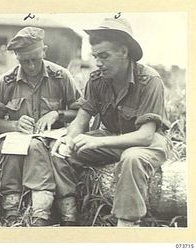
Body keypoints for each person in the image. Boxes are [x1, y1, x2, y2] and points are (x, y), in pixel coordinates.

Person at [51, 18, 172, 227]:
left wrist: (97, 143)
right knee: (61, 150)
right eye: (95, 56)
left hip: (149, 144)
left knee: (132, 158)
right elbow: (81, 120)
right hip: (113, 140)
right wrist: (69, 140)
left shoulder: (150, 81)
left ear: (124, 52)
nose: (98, 63)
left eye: (104, 56)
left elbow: (145, 136)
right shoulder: (97, 80)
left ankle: (126, 225)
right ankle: (68, 214)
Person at [0, 27, 81, 226]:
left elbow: (81, 112)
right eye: (25, 61)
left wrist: (57, 113)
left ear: (44, 51)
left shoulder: (61, 76)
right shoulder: (6, 82)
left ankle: (62, 213)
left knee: (54, 153)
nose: (31, 66)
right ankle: (13, 209)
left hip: (55, 138)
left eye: (35, 59)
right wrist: (14, 125)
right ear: (16, 57)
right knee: (23, 149)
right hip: (20, 140)